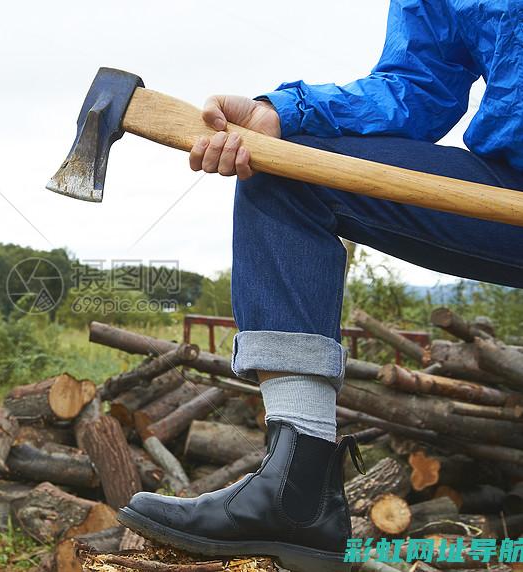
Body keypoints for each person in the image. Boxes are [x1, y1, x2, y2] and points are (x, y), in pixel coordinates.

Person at [117, 2, 523, 571]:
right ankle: (297, 493)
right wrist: (280, 115)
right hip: (509, 190)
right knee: (285, 175)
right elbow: (419, 86)